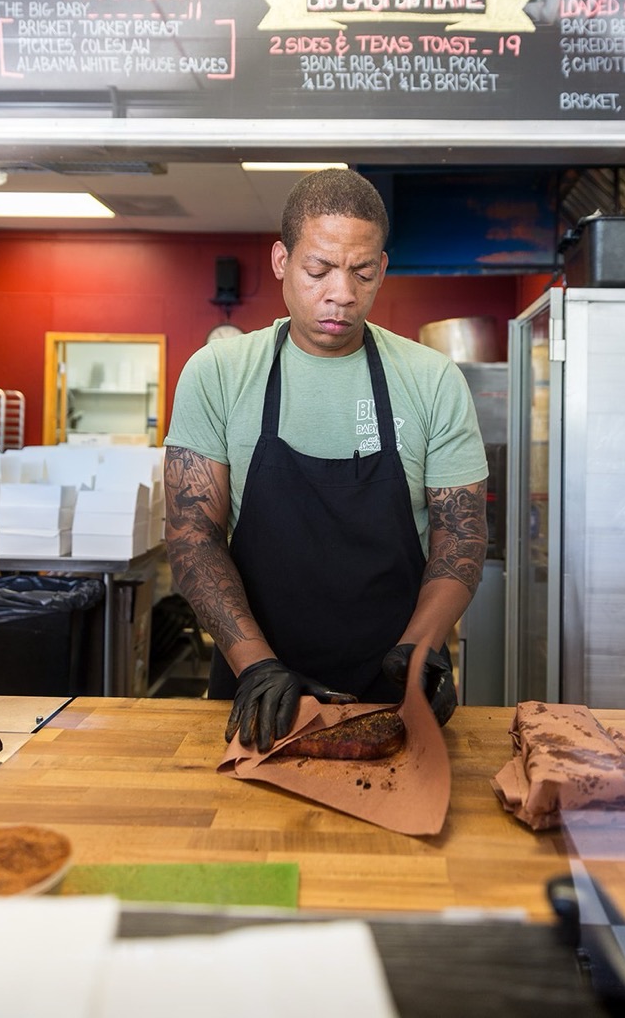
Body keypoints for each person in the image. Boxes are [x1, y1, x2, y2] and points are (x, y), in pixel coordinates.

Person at [164, 168, 488, 753]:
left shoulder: (431, 379)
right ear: (281, 260)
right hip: (257, 689)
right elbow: (192, 536)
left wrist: (420, 650)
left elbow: (461, 538)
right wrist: (256, 666)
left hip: (394, 689)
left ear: (382, 270)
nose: (341, 292)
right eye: (318, 270)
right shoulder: (218, 374)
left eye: (363, 273)